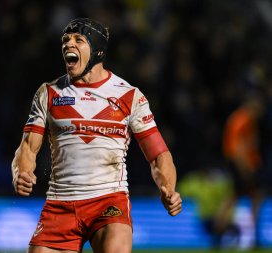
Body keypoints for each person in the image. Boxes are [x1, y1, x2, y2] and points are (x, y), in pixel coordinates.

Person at [11, 18, 182, 253]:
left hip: (109, 201)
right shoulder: (48, 93)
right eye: (65, 40)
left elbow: (158, 154)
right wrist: (22, 172)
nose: (68, 45)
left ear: (97, 50)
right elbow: (27, 148)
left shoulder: (129, 96)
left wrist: (169, 188)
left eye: (78, 40)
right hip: (60, 204)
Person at [222, 93, 265, 248]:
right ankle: (219, 232)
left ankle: (253, 236)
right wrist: (245, 170)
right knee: (237, 197)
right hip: (241, 165)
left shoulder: (244, 120)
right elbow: (237, 148)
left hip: (243, 164)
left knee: (253, 197)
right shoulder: (242, 120)